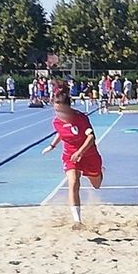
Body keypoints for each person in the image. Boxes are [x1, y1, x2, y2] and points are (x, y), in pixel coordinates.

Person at [42, 88, 104, 228]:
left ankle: (100, 172)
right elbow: (61, 132)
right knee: (73, 183)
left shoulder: (81, 118)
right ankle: (77, 221)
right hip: (70, 156)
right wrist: (52, 145)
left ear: (68, 108)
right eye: (56, 110)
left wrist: (81, 152)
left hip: (88, 154)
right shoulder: (56, 121)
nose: (59, 114)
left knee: (96, 185)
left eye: (61, 111)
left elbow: (91, 137)